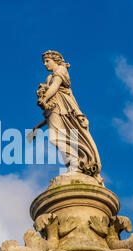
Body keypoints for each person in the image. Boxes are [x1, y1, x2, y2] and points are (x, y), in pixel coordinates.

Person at [29, 50, 103, 185]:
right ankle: (73, 166)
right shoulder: (49, 78)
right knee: (61, 138)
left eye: (47, 61)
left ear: (55, 60)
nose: (45, 64)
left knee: (56, 138)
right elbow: (49, 115)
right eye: (44, 62)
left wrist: (44, 98)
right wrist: (37, 127)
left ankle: (75, 165)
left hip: (66, 110)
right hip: (57, 109)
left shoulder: (61, 70)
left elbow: (55, 87)